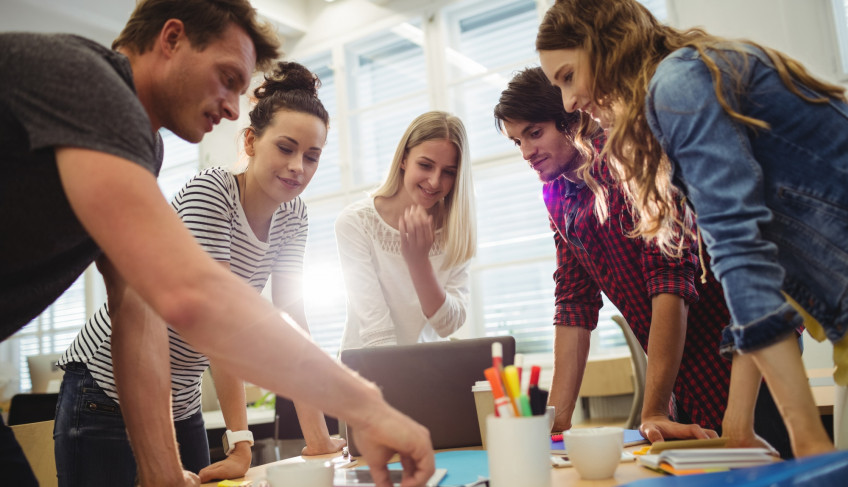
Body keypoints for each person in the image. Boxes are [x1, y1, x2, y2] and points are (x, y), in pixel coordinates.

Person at [0, 1, 434, 486]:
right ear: (171, 39)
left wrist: (163, 471)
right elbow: (197, 298)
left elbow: (136, 306)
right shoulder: (91, 85)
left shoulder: (143, 145)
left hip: (177, 396)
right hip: (99, 392)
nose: (230, 106)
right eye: (226, 79)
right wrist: (369, 408)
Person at [536, 0, 847, 458]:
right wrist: (738, 420)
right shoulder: (683, 82)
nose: (569, 102)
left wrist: (806, 438)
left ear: (605, 46)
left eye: (568, 76)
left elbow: (743, 256)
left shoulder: (677, 87)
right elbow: (755, 268)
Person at [53, 61, 347, 486]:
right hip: (105, 389)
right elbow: (218, 321)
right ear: (251, 141)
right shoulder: (214, 192)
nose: (298, 166)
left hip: (180, 402)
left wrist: (318, 438)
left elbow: (294, 324)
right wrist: (241, 442)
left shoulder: (294, 216)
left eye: (312, 156)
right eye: (286, 148)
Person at [493, 67, 791, 455]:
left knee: (778, 472)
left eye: (535, 133)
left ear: (572, 118)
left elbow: (670, 280)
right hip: (680, 376)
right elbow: (573, 303)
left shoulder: (628, 159)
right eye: (517, 141)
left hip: (742, 355)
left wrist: (653, 409)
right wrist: (556, 423)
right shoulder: (557, 196)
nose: (526, 152)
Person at [336, 111, 476, 350]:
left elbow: (448, 325)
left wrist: (419, 264)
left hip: (424, 367)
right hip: (367, 365)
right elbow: (376, 331)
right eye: (425, 165)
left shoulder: (456, 230)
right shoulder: (356, 223)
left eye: (448, 172)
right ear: (403, 159)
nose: (434, 181)